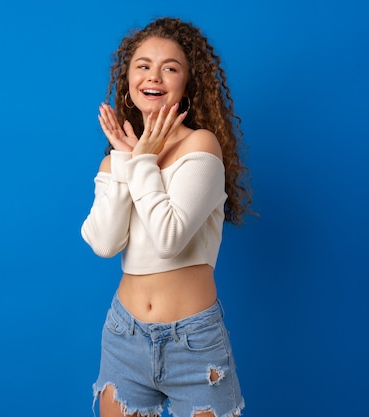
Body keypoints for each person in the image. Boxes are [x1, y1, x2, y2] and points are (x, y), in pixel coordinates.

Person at [81, 17, 252, 417]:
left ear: (187, 83)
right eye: (143, 65)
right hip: (124, 336)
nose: (153, 75)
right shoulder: (116, 160)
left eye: (170, 67)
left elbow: (168, 238)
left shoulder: (201, 147)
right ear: (128, 78)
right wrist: (126, 158)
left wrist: (140, 160)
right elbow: (104, 243)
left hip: (194, 342)